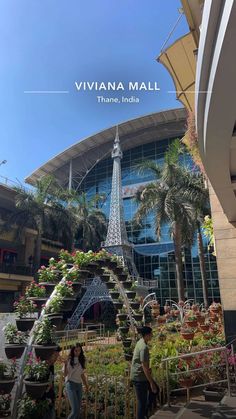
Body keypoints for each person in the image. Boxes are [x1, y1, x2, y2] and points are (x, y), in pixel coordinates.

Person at [130, 326, 157, 419]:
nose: (152, 335)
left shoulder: (141, 342)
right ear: (147, 335)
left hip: (141, 375)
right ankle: (144, 414)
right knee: (142, 401)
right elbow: (144, 367)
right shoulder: (143, 347)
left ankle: (146, 412)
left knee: (155, 390)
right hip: (139, 377)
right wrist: (151, 382)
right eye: (151, 334)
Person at [64, 343, 89, 419]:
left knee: (78, 410)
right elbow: (65, 375)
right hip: (70, 385)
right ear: (72, 351)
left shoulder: (82, 360)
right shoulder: (69, 360)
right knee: (75, 410)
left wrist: (86, 386)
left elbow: (82, 375)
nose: (77, 352)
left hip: (79, 385)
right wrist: (65, 365)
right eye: (75, 351)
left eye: (79, 350)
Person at [42, 345, 62, 419]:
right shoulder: (42, 367)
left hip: (50, 398)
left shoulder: (51, 366)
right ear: (50, 354)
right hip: (44, 400)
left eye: (57, 356)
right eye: (55, 356)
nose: (56, 359)